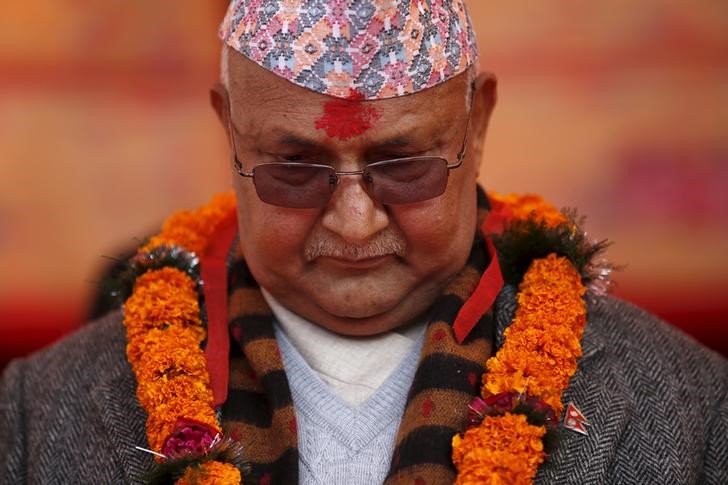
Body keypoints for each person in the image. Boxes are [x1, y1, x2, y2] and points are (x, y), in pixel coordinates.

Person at [1, 1, 726, 484]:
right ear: (228, 129)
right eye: (293, 169)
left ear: (476, 127)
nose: (354, 222)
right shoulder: (36, 413)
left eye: (403, 166)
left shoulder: (691, 405)